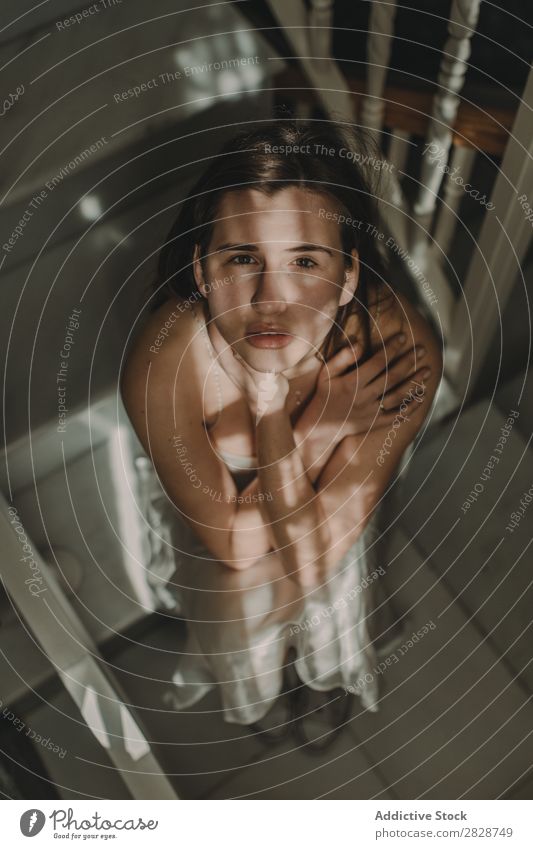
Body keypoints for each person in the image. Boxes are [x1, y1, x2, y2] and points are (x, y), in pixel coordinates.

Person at [120, 120, 443, 721]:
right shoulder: (166, 362)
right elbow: (237, 552)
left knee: (331, 601)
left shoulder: (398, 348)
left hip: (315, 538)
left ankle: (312, 669)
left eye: (304, 261)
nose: (272, 297)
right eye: (243, 258)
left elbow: (312, 560)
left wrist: (276, 425)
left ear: (348, 275)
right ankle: (256, 686)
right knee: (244, 643)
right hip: (224, 560)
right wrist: (315, 425)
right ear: (201, 271)